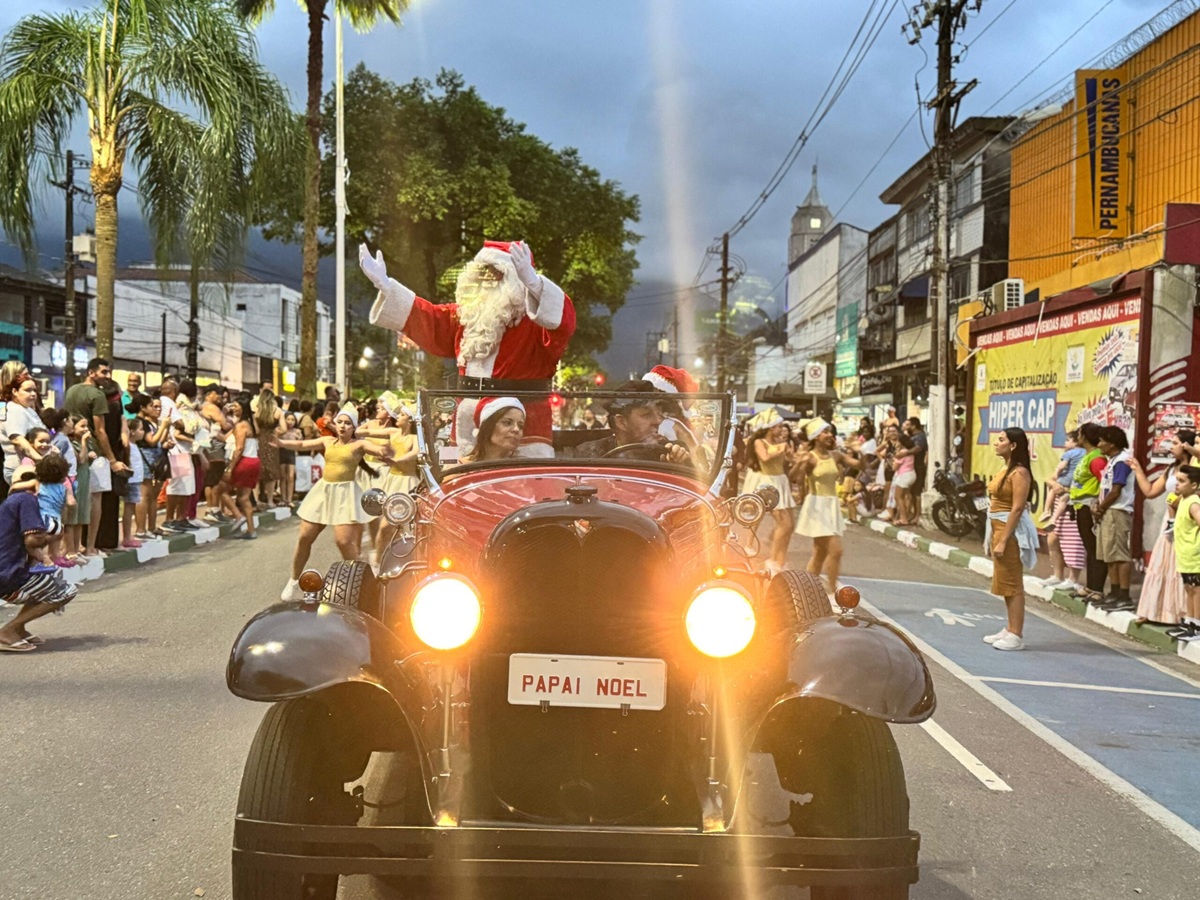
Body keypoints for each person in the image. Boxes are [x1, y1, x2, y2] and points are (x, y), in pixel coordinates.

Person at [360, 239, 575, 458]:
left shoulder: (536, 321)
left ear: (515, 279)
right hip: (466, 417)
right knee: (455, 478)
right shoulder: (466, 315)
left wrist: (535, 283)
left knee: (523, 485)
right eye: (482, 272)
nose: (486, 279)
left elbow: (563, 322)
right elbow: (430, 318)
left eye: (495, 273)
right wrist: (386, 286)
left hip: (522, 423)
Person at [276, 404, 393, 600]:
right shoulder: (327, 441)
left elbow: (375, 449)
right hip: (323, 492)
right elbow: (303, 445)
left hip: (345, 495)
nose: (342, 426)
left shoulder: (358, 445)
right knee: (305, 536)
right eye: (340, 422)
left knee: (344, 542)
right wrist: (280, 442)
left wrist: (383, 450)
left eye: (347, 423)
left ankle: (360, 586)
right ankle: (294, 581)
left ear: (353, 427)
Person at [0, 464, 78, 651]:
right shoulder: (27, 500)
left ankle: (19, 627)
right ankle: (8, 631)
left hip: (7, 569)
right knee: (65, 591)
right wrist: (55, 537)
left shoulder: (9, 502)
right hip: (7, 573)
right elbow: (32, 540)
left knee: (48, 582)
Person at [1128, 431, 1199, 625]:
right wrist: (1137, 469)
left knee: (1182, 568)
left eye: (1175, 443)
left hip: (1184, 519)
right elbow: (1150, 492)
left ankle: (1184, 615)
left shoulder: (1194, 469)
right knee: (1162, 564)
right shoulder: (1171, 469)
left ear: (1186, 445)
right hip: (1169, 521)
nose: (1171, 447)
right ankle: (1158, 611)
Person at [983, 428, 1036, 652]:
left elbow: (1016, 508)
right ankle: (1010, 627)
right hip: (997, 527)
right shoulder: (1006, 469)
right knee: (1004, 581)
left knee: (1013, 583)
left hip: (1010, 532)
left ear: (1013, 445)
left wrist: (1004, 540)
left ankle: (1016, 633)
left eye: (1002, 440)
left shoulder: (1020, 473)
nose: (997, 443)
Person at [793, 420, 860, 595]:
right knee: (835, 550)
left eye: (830, 432)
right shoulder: (810, 457)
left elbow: (860, 466)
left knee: (820, 552)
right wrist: (799, 464)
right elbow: (793, 477)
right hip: (817, 506)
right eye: (825, 432)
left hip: (831, 505)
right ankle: (831, 590)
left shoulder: (836, 455)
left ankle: (807, 590)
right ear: (816, 437)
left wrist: (863, 453)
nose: (830, 435)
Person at [574, 381, 690, 463]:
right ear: (621, 422)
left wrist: (678, 463)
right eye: (646, 415)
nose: (657, 421)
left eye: (658, 413)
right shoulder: (588, 453)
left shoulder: (671, 451)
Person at [741, 415, 796, 577]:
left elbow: (789, 461)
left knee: (790, 525)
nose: (782, 429)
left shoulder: (779, 444)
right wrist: (780, 450)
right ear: (771, 428)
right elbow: (764, 458)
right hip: (768, 483)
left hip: (781, 481)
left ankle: (780, 560)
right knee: (783, 523)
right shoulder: (760, 442)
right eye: (779, 426)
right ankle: (771, 560)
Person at [1092, 426, 1136, 609]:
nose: (1099, 444)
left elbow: (1116, 491)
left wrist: (1101, 508)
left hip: (1117, 511)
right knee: (1108, 554)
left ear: (1112, 443)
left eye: (1102, 441)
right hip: (1107, 511)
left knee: (1119, 554)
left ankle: (1124, 594)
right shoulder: (1112, 461)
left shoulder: (1122, 462)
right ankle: (1114, 591)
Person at [64, 358, 129, 481]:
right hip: (93, 451)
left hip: (73, 447)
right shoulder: (98, 395)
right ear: (91, 373)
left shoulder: (71, 390)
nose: (108, 376)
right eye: (104, 372)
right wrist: (113, 460)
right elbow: (100, 431)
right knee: (96, 497)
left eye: (108, 372)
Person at [1068, 422, 1108, 599]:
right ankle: (1091, 586)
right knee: (1089, 547)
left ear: (1084, 437)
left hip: (1089, 506)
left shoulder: (1096, 458)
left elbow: (1105, 482)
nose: (1078, 436)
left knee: (1094, 548)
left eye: (1080, 433)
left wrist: (1099, 505)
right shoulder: (1088, 455)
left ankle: (1097, 588)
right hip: (1080, 505)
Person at [221, 393, 262, 540]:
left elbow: (239, 448)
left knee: (221, 488)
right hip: (254, 461)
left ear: (243, 408)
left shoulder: (240, 425)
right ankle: (251, 529)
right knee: (244, 497)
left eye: (236, 406)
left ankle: (239, 517)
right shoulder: (252, 423)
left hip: (244, 461)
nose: (234, 408)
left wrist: (230, 468)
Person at [130, 394, 171, 538]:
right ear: (143, 408)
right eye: (151, 406)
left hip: (155, 458)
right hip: (145, 458)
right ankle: (141, 529)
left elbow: (158, 441)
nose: (154, 409)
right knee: (144, 494)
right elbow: (152, 441)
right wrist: (164, 426)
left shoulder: (150, 423)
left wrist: (165, 428)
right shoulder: (141, 422)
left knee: (153, 495)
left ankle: (152, 527)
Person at [1171, 465, 1200, 636]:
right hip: (1185, 554)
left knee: (1196, 590)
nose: (1177, 485)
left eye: (1182, 481)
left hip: (1194, 554)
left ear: (1194, 485)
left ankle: (1197, 624)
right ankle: (1190, 620)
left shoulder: (1194, 503)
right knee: (1189, 588)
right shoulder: (1183, 499)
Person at [3, 376, 45, 487]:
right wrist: (41, 460)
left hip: (33, 467)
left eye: (34, 390)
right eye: (28, 390)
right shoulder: (14, 410)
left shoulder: (27, 410)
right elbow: (17, 439)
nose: (33, 394)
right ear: (15, 391)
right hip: (21, 469)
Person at [34, 453, 75, 567]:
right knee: (56, 537)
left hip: (42, 518)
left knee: (40, 541)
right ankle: (56, 556)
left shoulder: (38, 485)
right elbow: (71, 503)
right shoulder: (64, 488)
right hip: (56, 520)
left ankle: (44, 558)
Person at [254, 389, 284, 509]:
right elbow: (284, 428)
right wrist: (276, 434)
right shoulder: (277, 411)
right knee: (271, 473)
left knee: (256, 472)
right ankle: (270, 500)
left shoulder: (256, 410)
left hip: (258, 441)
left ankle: (256, 500)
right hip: (271, 442)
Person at [278, 411, 300, 508]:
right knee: (282, 476)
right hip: (281, 452)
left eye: (292, 419)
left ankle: (289, 499)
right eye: (288, 419)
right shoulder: (280, 430)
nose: (290, 422)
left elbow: (300, 443)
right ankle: (283, 498)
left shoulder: (296, 431)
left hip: (291, 453)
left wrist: (299, 438)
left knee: (290, 476)